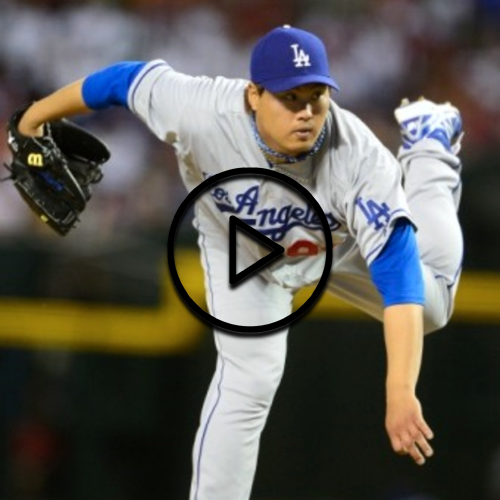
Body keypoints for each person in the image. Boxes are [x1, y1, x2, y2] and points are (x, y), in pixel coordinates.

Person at [13, 25, 463, 500]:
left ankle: (429, 147)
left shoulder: (357, 159)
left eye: (316, 96)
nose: (306, 112)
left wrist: (400, 391)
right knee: (249, 378)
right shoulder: (201, 109)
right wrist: (33, 118)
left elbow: (399, 278)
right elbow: (122, 81)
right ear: (254, 95)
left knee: (432, 310)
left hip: (338, 241)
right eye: (290, 98)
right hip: (241, 245)